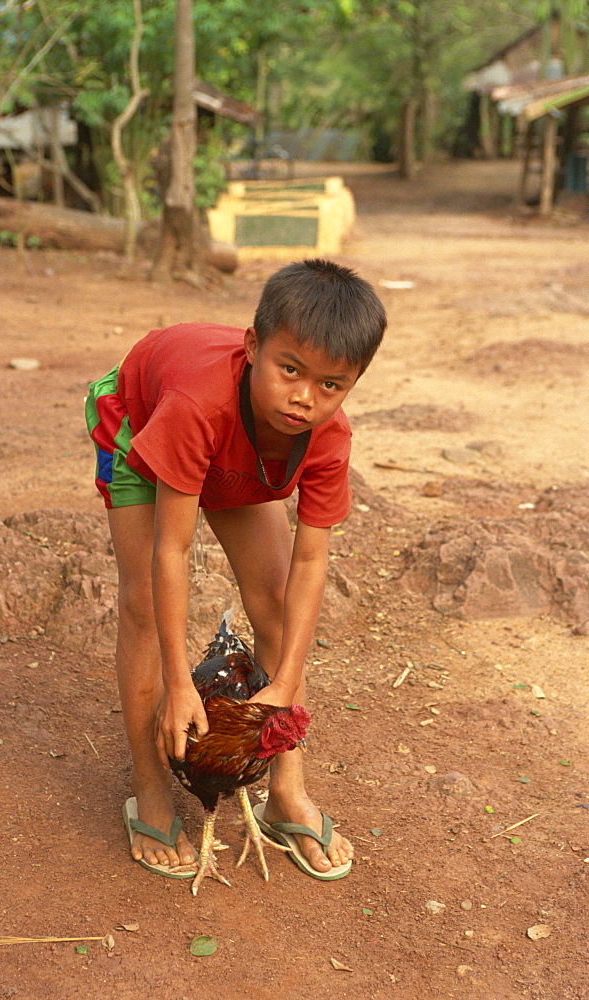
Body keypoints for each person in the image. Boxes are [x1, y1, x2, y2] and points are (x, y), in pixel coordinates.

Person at [85, 258, 386, 881]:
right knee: (141, 599)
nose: (305, 397)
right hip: (144, 418)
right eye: (290, 370)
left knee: (275, 600)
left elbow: (310, 561)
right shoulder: (197, 404)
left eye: (331, 385)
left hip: (243, 449)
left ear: (353, 384)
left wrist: (285, 690)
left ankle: (287, 793)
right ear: (253, 348)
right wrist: (180, 685)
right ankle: (149, 786)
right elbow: (175, 551)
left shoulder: (324, 437)